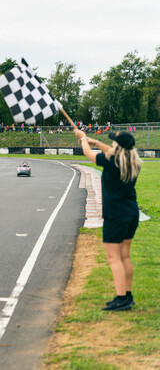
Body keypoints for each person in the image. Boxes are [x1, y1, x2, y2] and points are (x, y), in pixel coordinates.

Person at [75, 129, 142, 311]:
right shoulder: (132, 160)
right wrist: (95, 141)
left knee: (114, 258)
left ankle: (121, 299)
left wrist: (83, 139)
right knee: (124, 256)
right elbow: (110, 151)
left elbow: (88, 154)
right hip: (130, 213)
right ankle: (127, 295)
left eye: (114, 142)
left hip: (115, 215)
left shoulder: (111, 161)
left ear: (118, 146)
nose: (111, 143)